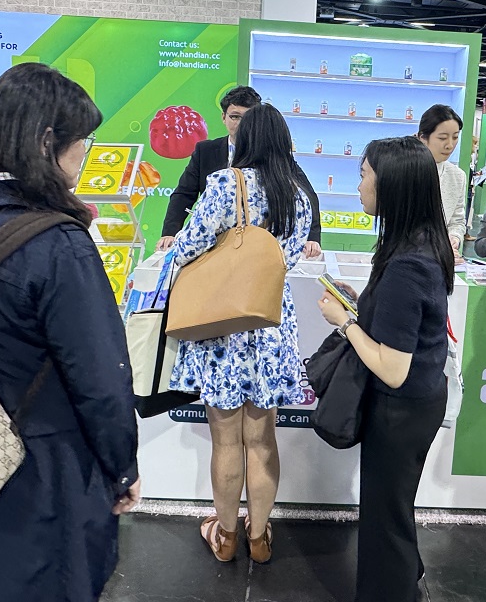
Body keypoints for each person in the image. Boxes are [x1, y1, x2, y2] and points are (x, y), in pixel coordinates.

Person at [0, 63, 140, 602]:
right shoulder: (57, 242)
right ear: (47, 143)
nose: (85, 153)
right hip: (43, 471)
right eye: (82, 141)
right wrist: (122, 467)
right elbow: (100, 377)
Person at [168, 103, 313, 565]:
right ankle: (260, 538)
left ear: (243, 140)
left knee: (226, 440)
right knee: (263, 439)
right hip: (271, 323)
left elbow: (187, 247)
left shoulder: (225, 184)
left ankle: (227, 536)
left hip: (222, 328)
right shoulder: (298, 195)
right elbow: (289, 257)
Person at [316, 136, 453, 602]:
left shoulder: (406, 264)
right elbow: (404, 327)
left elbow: (392, 369)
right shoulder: (419, 244)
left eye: (364, 176)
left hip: (401, 407)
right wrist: (363, 308)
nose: (358, 187)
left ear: (390, 186)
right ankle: (405, 576)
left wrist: (345, 323)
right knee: (394, 508)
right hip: (419, 400)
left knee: (384, 520)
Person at [158, 86, 321, 258]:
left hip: (259, 248)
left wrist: (312, 238)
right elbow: (183, 194)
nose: (241, 124)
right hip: (218, 248)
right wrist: (170, 232)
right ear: (223, 117)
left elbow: (307, 196)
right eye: (235, 117)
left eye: (248, 118)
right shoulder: (207, 153)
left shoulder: (275, 158)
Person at [416, 104, 467, 255]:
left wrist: (454, 239)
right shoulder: (404, 170)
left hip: (440, 257)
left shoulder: (457, 176)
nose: (450, 145)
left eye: (455, 137)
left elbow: (457, 221)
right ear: (423, 137)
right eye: (442, 138)